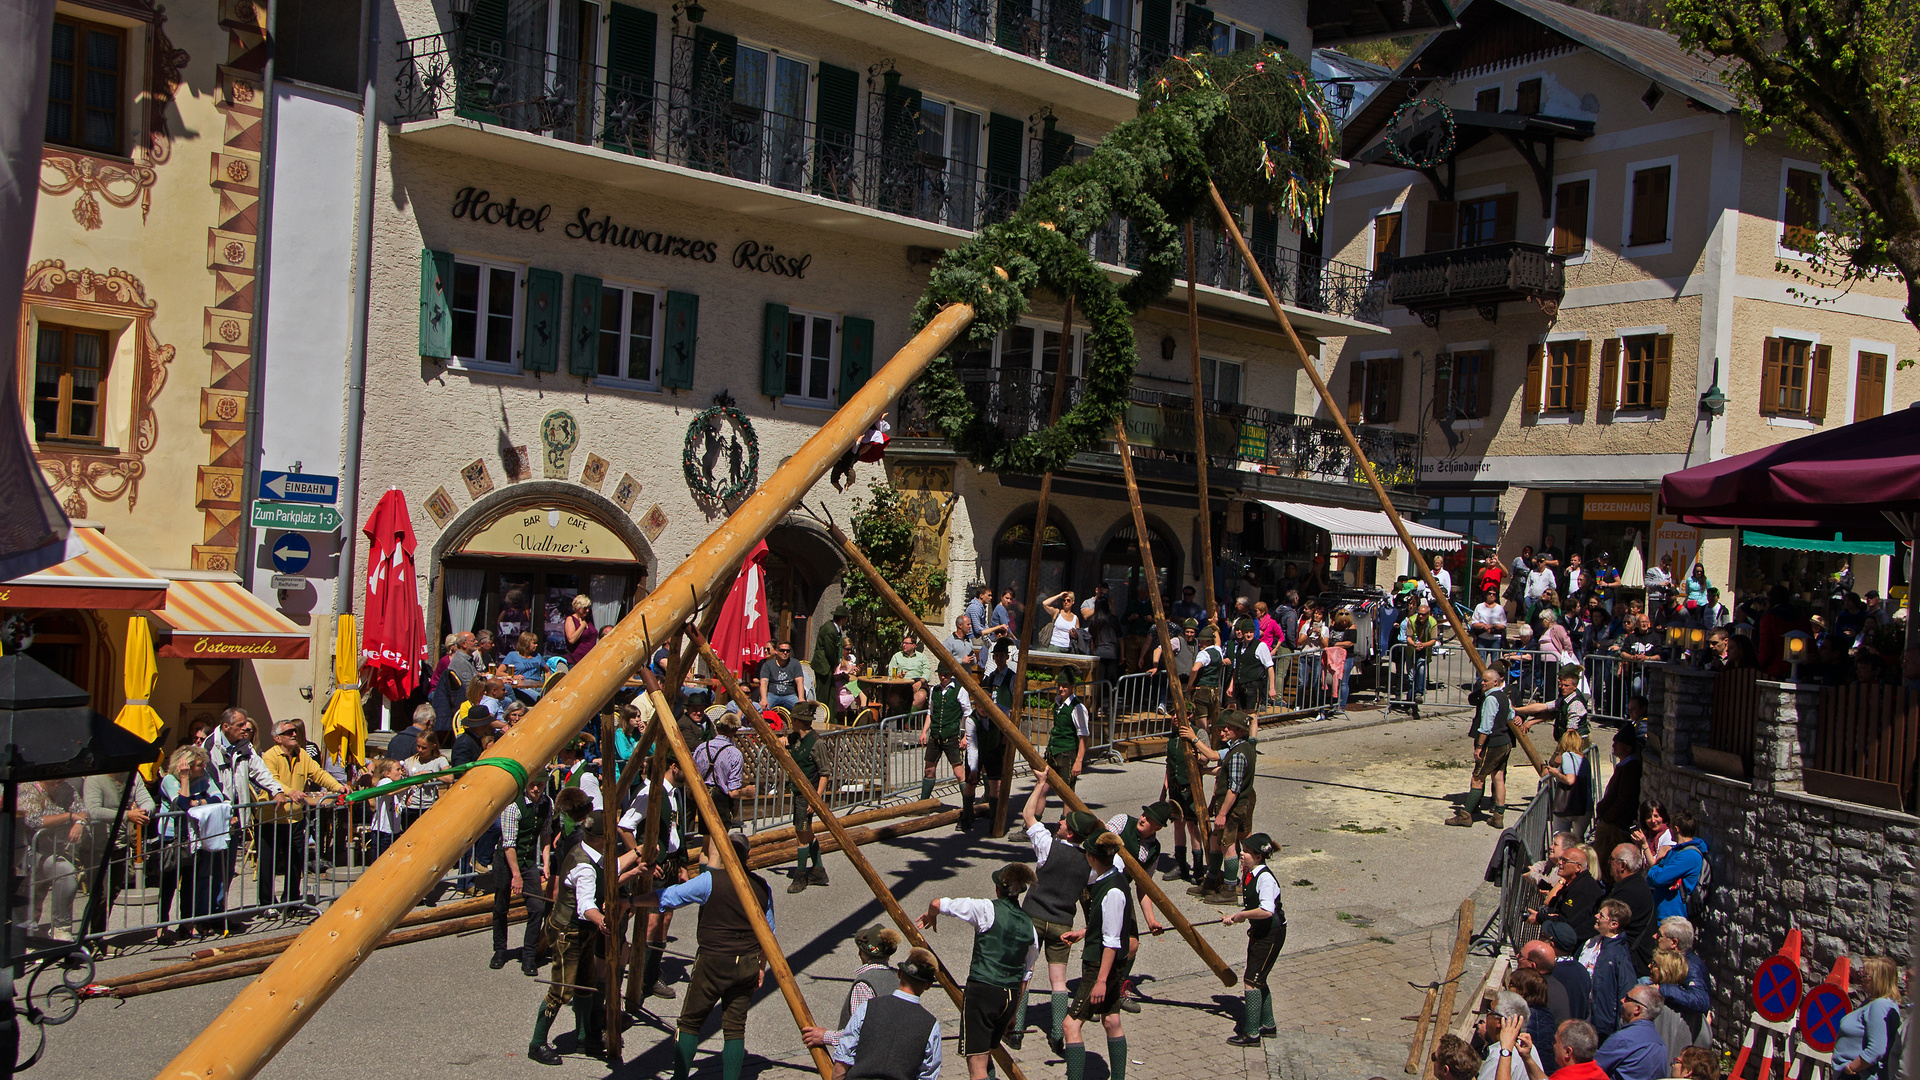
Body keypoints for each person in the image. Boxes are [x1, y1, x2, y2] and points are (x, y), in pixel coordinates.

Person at [527, 788, 640, 1065]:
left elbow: (611, 867)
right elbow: (586, 905)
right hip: (569, 932)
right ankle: (537, 1042)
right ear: (603, 838)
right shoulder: (586, 867)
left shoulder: (587, 850)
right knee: (562, 989)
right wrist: (602, 920)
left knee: (587, 982)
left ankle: (584, 1036)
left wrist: (637, 859)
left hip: (579, 930)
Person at [653, 832, 775, 1080]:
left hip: (713, 961)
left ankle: (680, 1078)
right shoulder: (762, 887)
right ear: (748, 856)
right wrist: (761, 966)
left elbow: (668, 897)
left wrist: (632, 901)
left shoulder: (710, 881)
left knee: (689, 1023)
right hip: (748, 962)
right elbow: (768, 934)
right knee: (735, 1028)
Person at [916, 864, 1040, 1080]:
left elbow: (938, 903)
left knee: (977, 1066)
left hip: (983, 992)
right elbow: (1025, 976)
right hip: (1009, 998)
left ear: (998, 888)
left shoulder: (986, 909)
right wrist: (1013, 1015)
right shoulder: (1029, 926)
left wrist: (931, 915)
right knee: (986, 1051)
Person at [1018, 804, 1100, 1055]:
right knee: (1059, 981)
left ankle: (1016, 1030)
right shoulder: (1091, 864)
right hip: (1062, 923)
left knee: (1025, 972)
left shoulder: (1047, 845)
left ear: (1071, 833)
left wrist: (1041, 783)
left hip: (1033, 916)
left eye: (1065, 822)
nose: (1060, 823)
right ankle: (1056, 1034)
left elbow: (1028, 815)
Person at [1058, 832, 1134, 1080]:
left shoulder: (1111, 890)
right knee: (1111, 1020)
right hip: (1108, 964)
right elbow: (1107, 925)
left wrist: (1101, 980)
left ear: (1091, 857)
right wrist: (1084, 932)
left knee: (1070, 1025)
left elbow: (1112, 941)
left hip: (1100, 966)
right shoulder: (1111, 878)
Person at [802, 947, 943, 1080]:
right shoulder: (930, 1026)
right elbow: (928, 1074)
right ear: (928, 985)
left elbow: (843, 1061)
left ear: (899, 974)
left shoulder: (867, 1008)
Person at [201, 708, 289, 920]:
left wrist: (276, 790)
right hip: (216, 818)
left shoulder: (244, 746)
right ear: (226, 727)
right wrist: (223, 809)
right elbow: (210, 783)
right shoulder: (210, 747)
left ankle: (219, 913)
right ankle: (204, 915)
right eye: (240, 725)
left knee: (227, 868)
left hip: (236, 820)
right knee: (209, 869)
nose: (245, 728)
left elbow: (260, 771)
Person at [258, 720, 347, 911]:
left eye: (295, 731)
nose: (294, 734)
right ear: (277, 738)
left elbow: (319, 774)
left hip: (296, 818)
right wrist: (290, 792)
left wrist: (338, 787)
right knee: (268, 863)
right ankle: (266, 904)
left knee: (295, 861)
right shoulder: (270, 756)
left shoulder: (302, 754)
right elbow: (270, 780)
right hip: (272, 818)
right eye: (289, 732)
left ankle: (291, 901)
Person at [622, 757, 690, 1003]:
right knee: (651, 922)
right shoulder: (649, 792)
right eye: (685, 765)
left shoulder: (673, 793)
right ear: (673, 766)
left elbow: (676, 830)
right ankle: (639, 981)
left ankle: (651, 976)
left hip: (670, 865)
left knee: (665, 920)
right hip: (656, 868)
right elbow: (625, 827)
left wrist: (682, 863)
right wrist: (641, 858)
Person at [1221, 832, 1285, 1046]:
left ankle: (1252, 1034)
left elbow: (1266, 911)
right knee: (1259, 978)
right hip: (1260, 933)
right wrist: (1234, 916)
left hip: (1271, 934)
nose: (1241, 854)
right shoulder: (1251, 873)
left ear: (1258, 856)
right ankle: (1268, 1024)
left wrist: (1241, 916)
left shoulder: (1265, 878)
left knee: (1251, 982)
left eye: (1246, 852)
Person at [78, 768, 155, 936]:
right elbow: (93, 810)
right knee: (100, 895)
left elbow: (147, 801)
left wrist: (144, 813)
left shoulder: (133, 776)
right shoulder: (94, 779)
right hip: (97, 846)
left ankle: (98, 937)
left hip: (120, 844)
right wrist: (127, 815)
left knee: (113, 892)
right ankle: (87, 938)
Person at [493, 769, 553, 975]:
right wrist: (516, 876)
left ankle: (529, 956)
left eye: (540, 785)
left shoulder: (547, 803)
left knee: (537, 907)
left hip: (527, 861)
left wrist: (546, 863)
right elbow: (509, 845)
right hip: (506, 860)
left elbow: (546, 835)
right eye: (532, 785)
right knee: (501, 906)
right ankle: (500, 951)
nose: (536, 788)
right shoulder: (513, 807)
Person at [1448, 666, 1515, 829]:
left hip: (1493, 744)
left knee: (1477, 778)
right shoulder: (1504, 696)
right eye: (1482, 680)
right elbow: (1511, 715)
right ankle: (1498, 816)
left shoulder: (1491, 699)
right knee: (1498, 777)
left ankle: (1465, 815)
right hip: (1505, 742)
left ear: (1496, 682)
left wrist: (1479, 746)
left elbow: (1486, 726)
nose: (1482, 683)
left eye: (1486, 681)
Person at [781, 706, 831, 892]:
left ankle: (800, 876)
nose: (790, 722)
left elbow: (824, 773)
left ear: (799, 722)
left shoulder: (816, 743)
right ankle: (818, 870)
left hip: (807, 795)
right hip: (797, 792)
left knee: (801, 835)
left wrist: (815, 799)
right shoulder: (796, 738)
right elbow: (784, 742)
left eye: (793, 720)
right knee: (806, 831)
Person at [829, 924, 903, 1046]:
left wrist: (824, 1036)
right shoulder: (899, 977)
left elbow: (857, 1035)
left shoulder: (864, 985)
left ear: (860, 953)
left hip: (870, 1059)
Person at [1833, 956, 1902, 1078]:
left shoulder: (1880, 1006)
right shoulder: (1881, 1003)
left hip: (1858, 1075)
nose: (1862, 978)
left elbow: (1877, 1049)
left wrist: (1851, 1068)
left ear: (1878, 979)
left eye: (1866, 975)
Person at [1030, 677, 1089, 818]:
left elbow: (1084, 737)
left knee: (1067, 793)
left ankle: (1065, 827)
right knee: (1042, 787)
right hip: (1053, 752)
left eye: (1065, 686)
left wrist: (1079, 761)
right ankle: (1032, 826)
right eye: (1060, 686)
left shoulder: (1078, 708)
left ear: (1072, 686)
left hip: (1068, 754)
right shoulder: (1058, 703)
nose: (1061, 689)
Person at [920, 667, 972, 821]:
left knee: (959, 773)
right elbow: (930, 712)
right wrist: (924, 732)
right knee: (929, 770)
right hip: (935, 735)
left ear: (951, 674)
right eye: (941, 674)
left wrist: (965, 737)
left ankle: (968, 807)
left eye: (946, 674)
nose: (943, 677)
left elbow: (967, 714)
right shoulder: (934, 690)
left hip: (951, 736)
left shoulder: (960, 690)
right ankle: (923, 806)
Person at [1652, 917, 1712, 1051]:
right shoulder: (1675, 960)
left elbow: (1701, 1000)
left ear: (1674, 943)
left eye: (1660, 935)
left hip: (1682, 1038)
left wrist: (1663, 989)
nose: (1654, 936)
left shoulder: (1690, 965)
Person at [1592, 732, 1644, 882]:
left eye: (1617, 743)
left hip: (1614, 826)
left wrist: (1607, 818)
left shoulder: (1631, 768)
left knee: (1604, 862)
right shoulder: (1625, 765)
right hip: (1610, 822)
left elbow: (1624, 799)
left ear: (1628, 748)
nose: (1613, 746)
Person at [1527, 847, 1603, 943]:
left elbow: (1566, 920)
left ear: (1578, 867)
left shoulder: (1582, 888)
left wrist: (1540, 917)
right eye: (1560, 859)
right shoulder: (1572, 883)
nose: (1560, 863)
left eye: (1565, 861)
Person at [1587, 900, 1639, 1039]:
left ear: (1614, 925)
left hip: (1603, 1026)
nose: (1596, 916)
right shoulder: (1593, 942)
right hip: (1587, 1018)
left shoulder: (1618, 954)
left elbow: (1625, 990)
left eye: (1602, 915)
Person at [1603, 845, 1657, 975]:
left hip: (1631, 964)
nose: (1609, 862)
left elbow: (1606, 923)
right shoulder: (1632, 885)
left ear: (1622, 865)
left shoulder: (1629, 892)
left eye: (1612, 859)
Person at [692, 716, 753, 830]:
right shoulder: (734, 753)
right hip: (721, 800)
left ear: (718, 728)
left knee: (707, 840)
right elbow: (733, 792)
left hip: (702, 795)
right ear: (735, 731)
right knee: (719, 842)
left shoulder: (701, 748)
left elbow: (693, 775)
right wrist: (747, 791)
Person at [1594, 984, 1666, 1080]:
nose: (1622, 1000)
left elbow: (1592, 1070)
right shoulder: (1660, 1044)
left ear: (1638, 1009)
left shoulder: (1623, 1039)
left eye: (1627, 999)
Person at [1644, 811, 1707, 920]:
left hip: (1673, 916)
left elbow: (1658, 878)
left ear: (1676, 829)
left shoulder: (1688, 855)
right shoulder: (1675, 851)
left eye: (1671, 828)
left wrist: (1655, 870)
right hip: (1662, 913)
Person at [1476, 992, 1547, 1080]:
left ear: (1499, 1021)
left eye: (1489, 1010)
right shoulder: (1529, 1049)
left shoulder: (1498, 1057)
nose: (1486, 1015)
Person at [1541, 731, 1592, 838]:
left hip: (1567, 804)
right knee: (1578, 839)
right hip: (1584, 805)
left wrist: (1556, 773)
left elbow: (1570, 780)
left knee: (1560, 838)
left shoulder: (1567, 756)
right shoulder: (1585, 760)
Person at [400, 731, 450, 831]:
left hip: (428, 806)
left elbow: (449, 777)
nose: (420, 750)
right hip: (411, 806)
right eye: (418, 746)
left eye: (424, 748)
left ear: (433, 746)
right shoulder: (410, 761)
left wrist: (430, 774)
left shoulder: (440, 760)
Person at [1227, 617, 1276, 713]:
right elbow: (1237, 668)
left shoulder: (1261, 646)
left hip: (1253, 686)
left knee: (1252, 715)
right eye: (1246, 632)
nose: (1249, 635)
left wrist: (1272, 688)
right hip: (1240, 686)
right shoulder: (1240, 646)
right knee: (1241, 715)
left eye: (1251, 632)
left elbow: (1269, 667)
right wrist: (1231, 685)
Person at [888, 633, 936, 711]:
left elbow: (927, 672)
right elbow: (890, 672)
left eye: (906, 643)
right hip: (901, 683)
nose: (904, 645)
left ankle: (907, 720)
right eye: (903, 643)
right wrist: (898, 675)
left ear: (913, 645)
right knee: (892, 699)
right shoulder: (897, 656)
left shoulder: (922, 657)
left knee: (921, 696)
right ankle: (902, 718)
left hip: (917, 681)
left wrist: (920, 682)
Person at [758, 640, 808, 714]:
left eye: (787, 651)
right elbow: (764, 682)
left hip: (790, 694)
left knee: (802, 711)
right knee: (763, 709)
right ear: (776, 651)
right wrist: (763, 699)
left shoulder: (795, 663)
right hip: (772, 694)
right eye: (782, 650)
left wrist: (801, 698)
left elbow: (799, 681)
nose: (785, 653)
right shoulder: (768, 665)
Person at [812, 607, 850, 699]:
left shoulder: (834, 628)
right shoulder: (830, 630)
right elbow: (830, 650)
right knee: (823, 694)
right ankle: (821, 712)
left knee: (830, 694)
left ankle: (830, 712)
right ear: (843, 619)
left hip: (827, 665)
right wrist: (835, 664)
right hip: (824, 666)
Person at [564, 594, 596, 665]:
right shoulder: (571, 619)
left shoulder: (588, 620)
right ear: (577, 608)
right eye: (585, 608)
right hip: (576, 661)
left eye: (588, 608)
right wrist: (582, 626)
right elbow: (571, 639)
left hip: (590, 660)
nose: (587, 610)